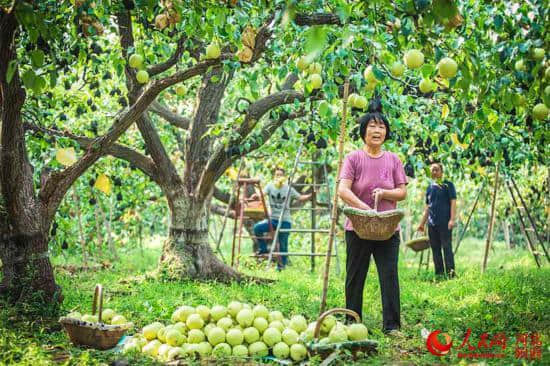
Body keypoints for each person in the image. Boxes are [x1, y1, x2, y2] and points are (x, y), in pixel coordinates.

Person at [337, 98, 407, 335]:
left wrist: (386, 193)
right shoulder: (353, 158)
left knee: (389, 276)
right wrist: (365, 209)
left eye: (382, 127)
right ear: (363, 131)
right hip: (357, 226)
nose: (377, 131)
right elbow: (343, 190)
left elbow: (402, 191)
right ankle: (352, 321)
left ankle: (392, 325)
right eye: (372, 127)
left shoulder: (393, 159)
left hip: (387, 229)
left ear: (386, 133)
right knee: (355, 276)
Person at [253, 167, 312, 269]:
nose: (278, 177)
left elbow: (300, 197)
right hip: (273, 219)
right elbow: (261, 194)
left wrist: (311, 195)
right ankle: (263, 249)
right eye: (277, 175)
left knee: (283, 244)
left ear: (284, 177)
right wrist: (256, 196)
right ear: (274, 176)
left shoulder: (288, 188)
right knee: (257, 228)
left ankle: (281, 267)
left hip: (285, 220)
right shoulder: (270, 186)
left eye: (280, 175)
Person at [417, 162, 457, 278]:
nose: (434, 172)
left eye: (436, 170)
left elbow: (453, 202)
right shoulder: (429, 188)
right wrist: (422, 224)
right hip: (432, 224)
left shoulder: (448, 185)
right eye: (432, 170)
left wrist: (452, 219)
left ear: (441, 172)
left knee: (447, 248)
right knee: (435, 249)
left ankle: (451, 274)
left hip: (445, 222)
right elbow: (428, 208)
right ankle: (439, 274)